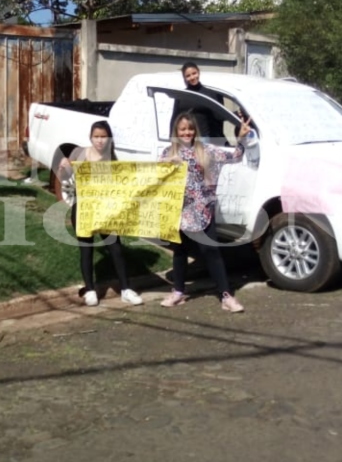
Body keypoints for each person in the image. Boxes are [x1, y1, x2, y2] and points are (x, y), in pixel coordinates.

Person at [159, 112, 251, 313]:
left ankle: (226, 295)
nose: (187, 133)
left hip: (203, 209)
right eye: (182, 129)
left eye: (190, 129)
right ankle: (178, 291)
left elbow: (234, 156)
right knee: (180, 251)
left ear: (195, 131)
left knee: (211, 251)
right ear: (176, 131)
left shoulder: (206, 150)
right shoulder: (168, 153)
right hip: (179, 210)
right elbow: (156, 179)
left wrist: (241, 138)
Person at [57, 121, 143, 307]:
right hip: (84, 209)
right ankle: (90, 289)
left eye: (103, 136)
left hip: (107, 211)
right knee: (86, 249)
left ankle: (126, 288)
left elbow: (122, 184)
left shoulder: (113, 158)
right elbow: (65, 177)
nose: (100, 140)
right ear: (91, 137)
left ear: (109, 138)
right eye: (96, 136)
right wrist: (63, 166)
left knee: (116, 248)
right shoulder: (79, 153)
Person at [181, 61, 238, 143]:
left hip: (202, 137)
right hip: (186, 137)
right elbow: (175, 117)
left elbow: (219, 115)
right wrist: (172, 139)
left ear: (198, 72)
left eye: (194, 73)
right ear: (185, 78)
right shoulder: (182, 95)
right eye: (188, 76)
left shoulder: (208, 93)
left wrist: (236, 114)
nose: (192, 77)